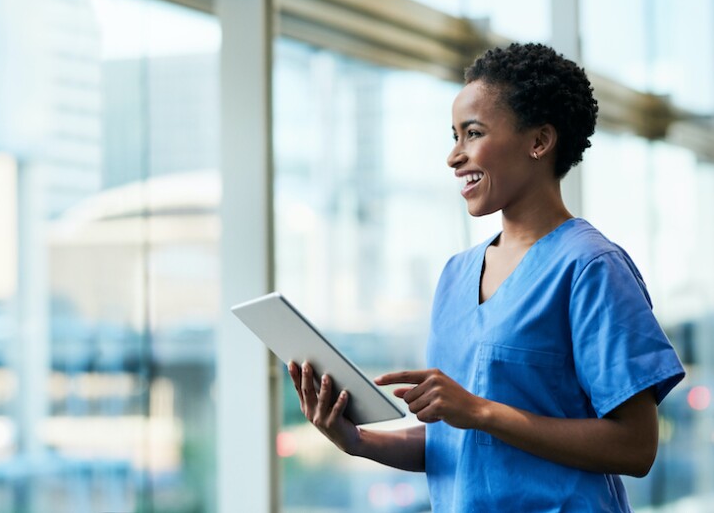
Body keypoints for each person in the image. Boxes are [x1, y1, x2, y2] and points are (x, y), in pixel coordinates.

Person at [287, 42, 686, 511]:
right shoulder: (456, 275)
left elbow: (636, 448)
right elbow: (456, 445)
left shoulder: (591, 268)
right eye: (453, 137)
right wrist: (356, 440)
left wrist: (480, 411)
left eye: (472, 134)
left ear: (539, 142)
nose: (454, 156)